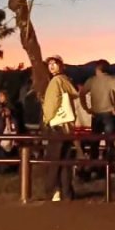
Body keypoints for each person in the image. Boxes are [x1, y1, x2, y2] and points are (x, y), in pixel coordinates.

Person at [42, 55, 80, 202]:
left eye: (54, 64)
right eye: (49, 64)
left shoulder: (55, 82)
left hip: (57, 126)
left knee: (54, 160)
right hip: (68, 127)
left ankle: (53, 191)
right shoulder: (66, 80)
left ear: (60, 65)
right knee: (65, 161)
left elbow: (51, 104)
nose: (51, 66)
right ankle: (67, 192)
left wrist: (48, 119)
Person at [81, 60, 115, 163]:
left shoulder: (91, 80)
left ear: (97, 69)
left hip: (95, 114)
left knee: (94, 142)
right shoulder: (112, 79)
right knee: (109, 142)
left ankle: (94, 166)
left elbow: (82, 94)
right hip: (109, 113)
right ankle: (109, 166)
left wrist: (86, 108)